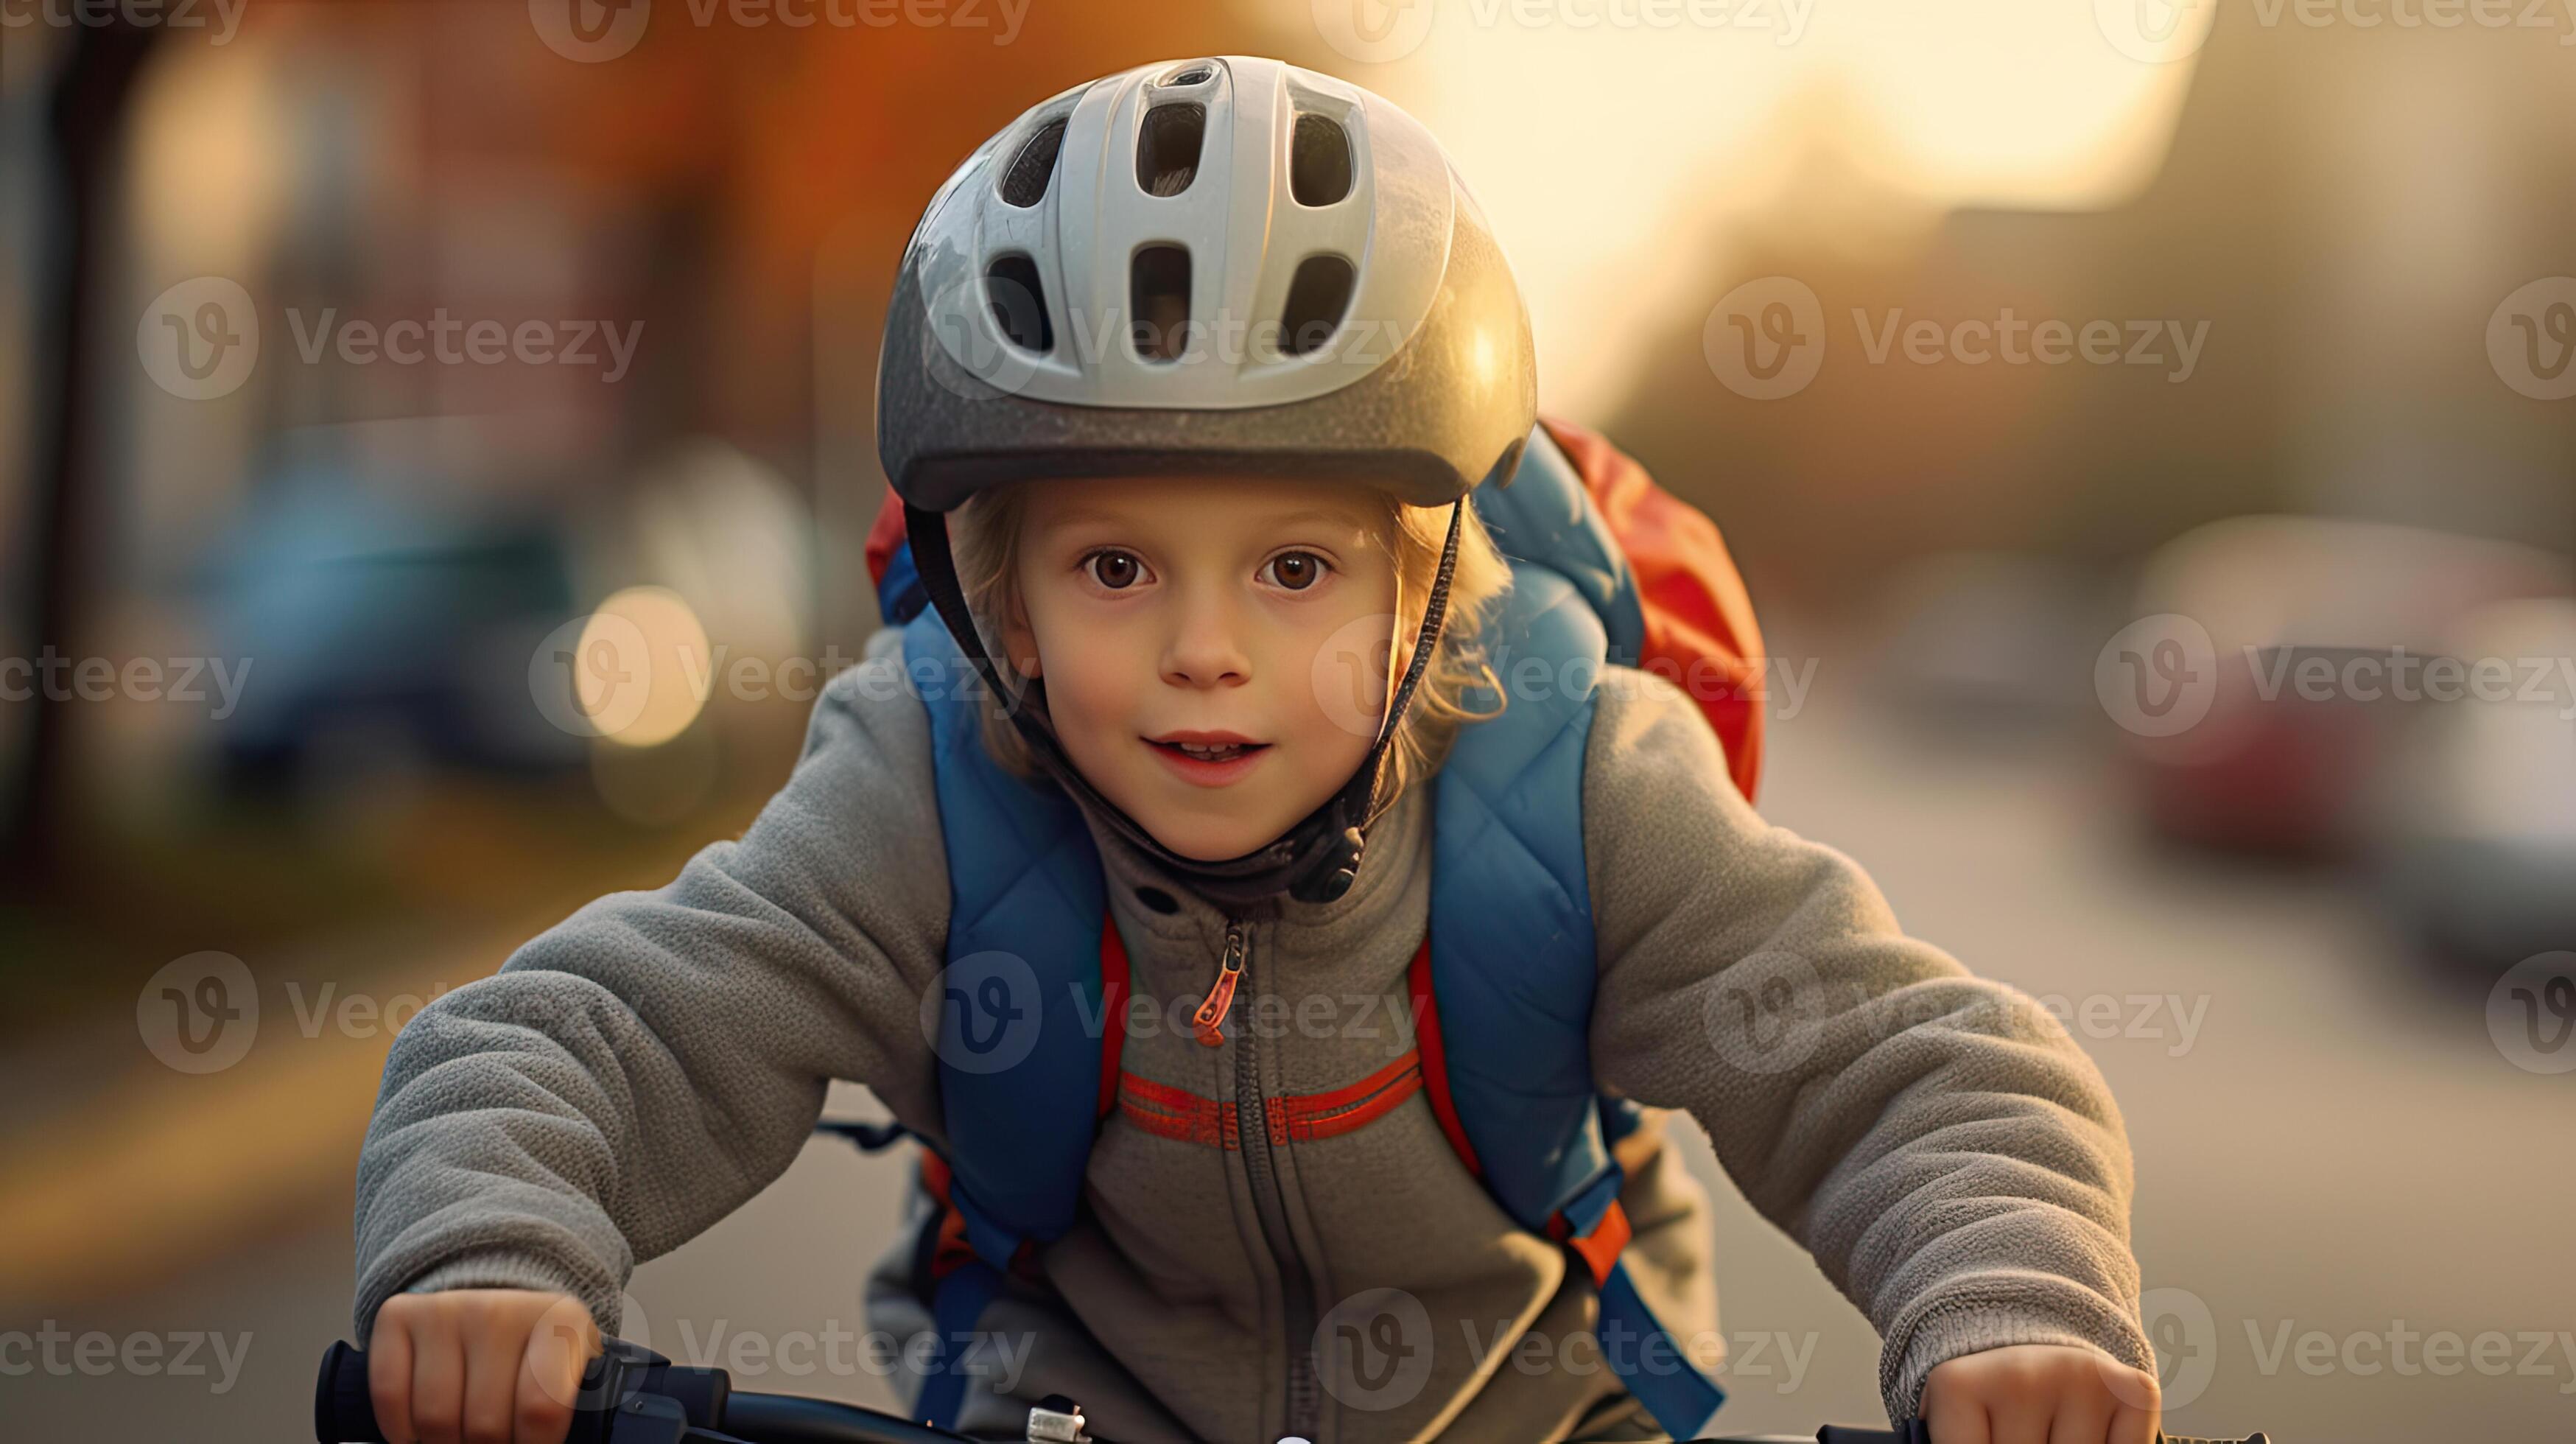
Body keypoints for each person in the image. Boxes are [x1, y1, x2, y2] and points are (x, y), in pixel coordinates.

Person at [351, 56, 2162, 1444]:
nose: (1204, 646)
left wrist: (2006, 1303)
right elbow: (583, 1034)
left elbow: (1919, 1067)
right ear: (1002, 598)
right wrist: (490, 1251)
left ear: (1420, 582)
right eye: (1116, 564)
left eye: (1296, 566)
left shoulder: (1576, 786)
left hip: (1534, 1414)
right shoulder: (929, 785)